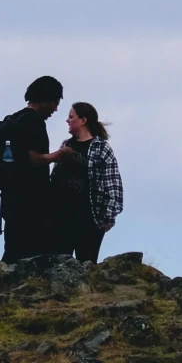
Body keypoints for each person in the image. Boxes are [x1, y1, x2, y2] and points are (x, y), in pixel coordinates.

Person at [47, 100, 123, 264]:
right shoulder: (66, 145)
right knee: (58, 264)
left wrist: (108, 217)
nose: (67, 120)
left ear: (83, 120)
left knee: (87, 264)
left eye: (71, 116)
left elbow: (113, 184)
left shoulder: (101, 148)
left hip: (89, 220)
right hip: (61, 217)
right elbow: (54, 177)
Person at [0, 75, 63, 262]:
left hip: (11, 197)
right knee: (26, 251)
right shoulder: (32, 122)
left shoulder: (14, 119)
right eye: (54, 102)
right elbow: (31, 157)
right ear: (45, 99)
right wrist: (55, 156)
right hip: (28, 199)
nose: (55, 109)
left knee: (15, 247)